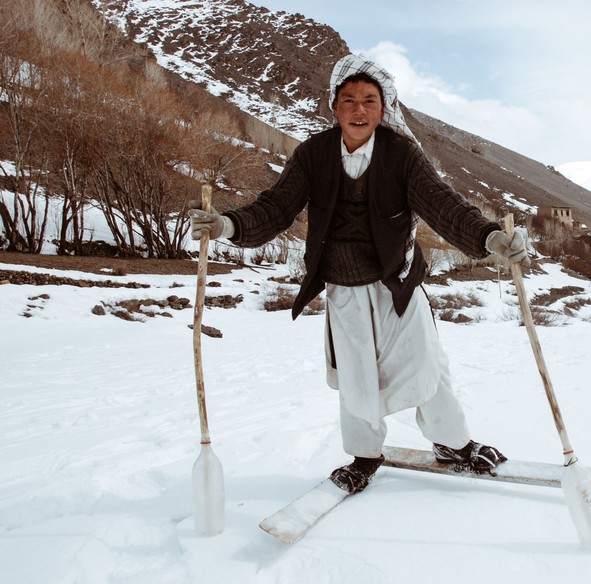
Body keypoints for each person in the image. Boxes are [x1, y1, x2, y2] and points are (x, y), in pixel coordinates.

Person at [189, 54, 529, 495]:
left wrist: (489, 238)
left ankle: (454, 444)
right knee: (355, 377)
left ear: (383, 107)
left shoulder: (402, 155)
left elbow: (442, 203)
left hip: (398, 284)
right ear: (334, 106)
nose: (359, 109)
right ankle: (364, 456)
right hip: (344, 288)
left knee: (424, 367)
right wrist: (227, 226)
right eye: (348, 100)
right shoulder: (313, 155)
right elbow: (276, 206)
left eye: (369, 100)